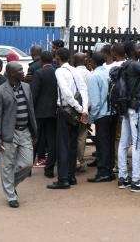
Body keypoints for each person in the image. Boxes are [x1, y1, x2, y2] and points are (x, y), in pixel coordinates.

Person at [0, 62, 37, 208]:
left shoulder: (27, 87)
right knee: (7, 165)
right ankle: (11, 195)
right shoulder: (0, 91)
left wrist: (34, 131)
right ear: (11, 73)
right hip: (9, 133)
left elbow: (30, 110)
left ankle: (10, 185)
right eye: (20, 70)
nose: (23, 72)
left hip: (25, 131)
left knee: (27, 164)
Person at [48, 48, 88, 189]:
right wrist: (84, 110)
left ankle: (63, 179)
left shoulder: (59, 71)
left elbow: (66, 93)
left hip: (66, 111)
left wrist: (78, 108)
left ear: (58, 58)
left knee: (63, 146)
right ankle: (71, 177)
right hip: (76, 113)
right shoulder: (75, 70)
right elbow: (83, 90)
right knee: (72, 145)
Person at [116, 41, 140, 192]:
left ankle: (123, 178)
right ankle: (137, 182)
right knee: (138, 144)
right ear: (133, 51)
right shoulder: (135, 65)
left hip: (127, 108)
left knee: (124, 143)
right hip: (136, 108)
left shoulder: (125, 64)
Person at [30, 51, 58, 177]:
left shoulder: (39, 73)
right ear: (52, 59)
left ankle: (28, 168)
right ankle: (49, 170)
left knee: (35, 139)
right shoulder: (57, 72)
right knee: (52, 140)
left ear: (41, 61)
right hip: (53, 112)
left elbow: (33, 94)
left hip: (39, 112)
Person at [87, 53, 113, 182]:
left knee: (102, 145)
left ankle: (103, 173)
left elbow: (96, 102)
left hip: (101, 115)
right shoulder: (108, 73)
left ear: (92, 61)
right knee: (109, 144)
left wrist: (91, 118)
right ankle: (109, 170)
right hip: (112, 113)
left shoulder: (94, 76)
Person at [73, 52, 90, 173]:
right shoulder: (89, 74)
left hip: (72, 108)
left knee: (71, 134)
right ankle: (80, 160)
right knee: (82, 135)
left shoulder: (72, 72)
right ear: (85, 61)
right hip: (85, 109)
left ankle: (72, 160)